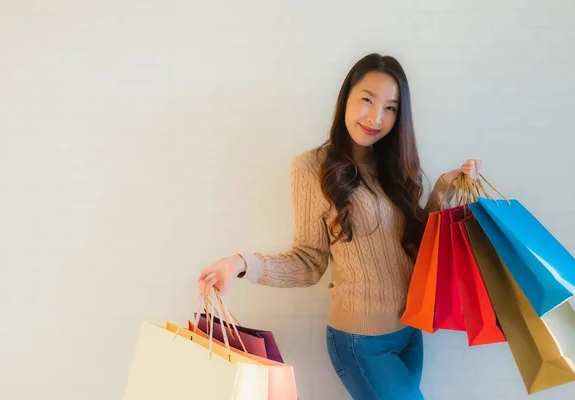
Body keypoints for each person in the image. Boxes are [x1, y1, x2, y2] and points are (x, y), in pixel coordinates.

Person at [197, 53, 480, 400]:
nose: (376, 117)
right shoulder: (312, 168)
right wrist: (241, 264)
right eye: (367, 100)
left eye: (390, 108)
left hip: (410, 330)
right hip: (361, 342)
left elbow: (414, 245)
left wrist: (442, 192)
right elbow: (308, 261)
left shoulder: (395, 168)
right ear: (346, 97)